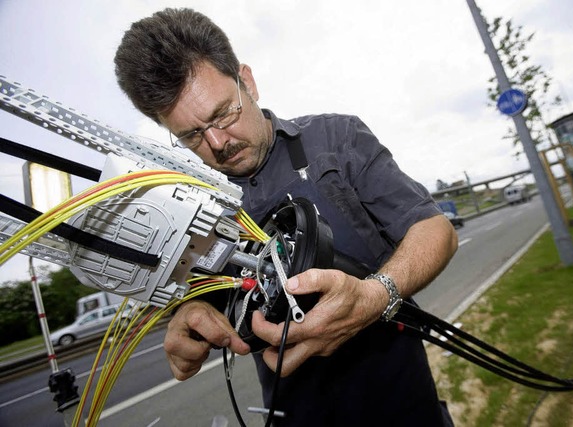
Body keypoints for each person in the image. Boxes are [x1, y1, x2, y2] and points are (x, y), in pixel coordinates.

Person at [114, 8, 458, 426]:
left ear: (248, 82)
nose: (218, 142)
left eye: (223, 113)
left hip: (402, 404)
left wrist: (375, 296)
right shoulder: (192, 206)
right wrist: (186, 320)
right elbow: (206, 299)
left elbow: (433, 229)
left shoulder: (338, 138)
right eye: (191, 135)